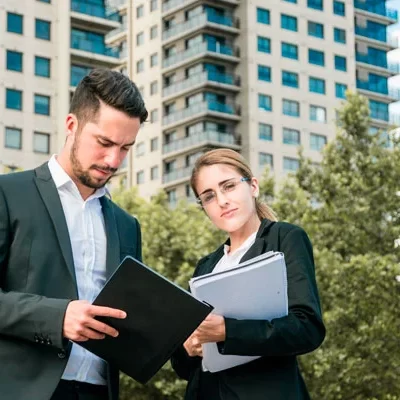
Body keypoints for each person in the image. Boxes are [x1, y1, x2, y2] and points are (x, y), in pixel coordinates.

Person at [0, 69, 148, 400]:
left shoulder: (128, 226)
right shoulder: (7, 195)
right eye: (105, 142)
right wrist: (57, 317)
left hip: (98, 391)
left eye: (126, 148)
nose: (113, 160)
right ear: (72, 125)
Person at [171, 149, 326, 399]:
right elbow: (183, 368)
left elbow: (307, 328)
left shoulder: (285, 238)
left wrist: (227, 331)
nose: (221, 201)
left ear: (252, 186)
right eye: (209, 196)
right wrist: (188, 347)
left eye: (229, 186)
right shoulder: (206, 266)